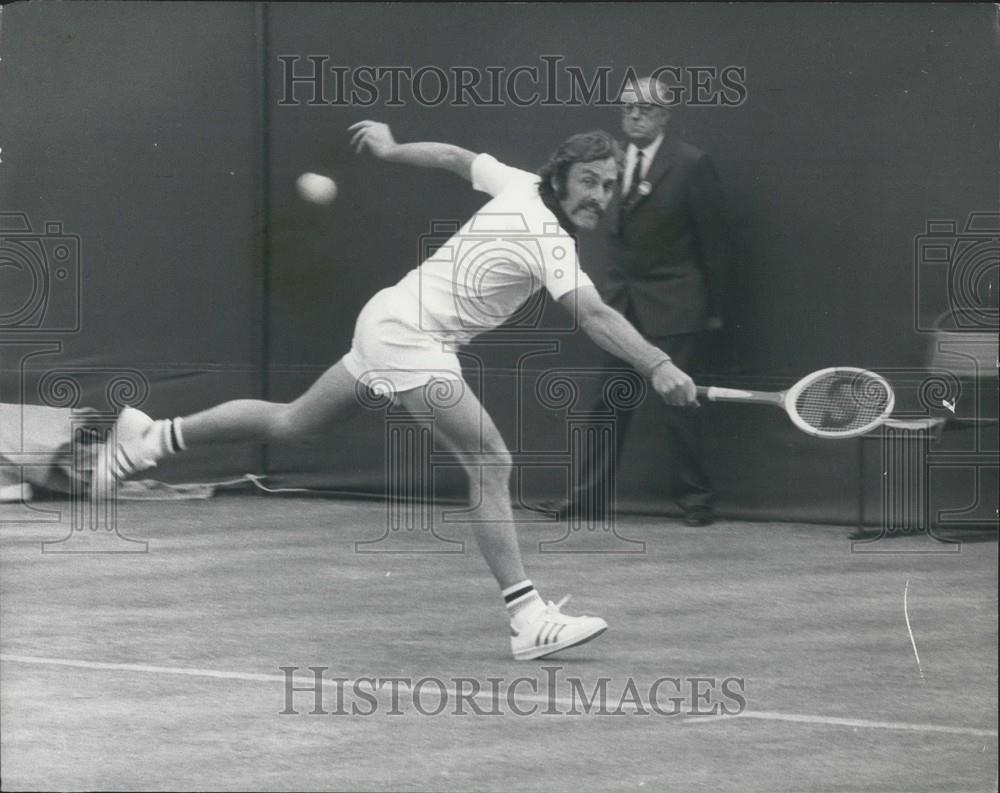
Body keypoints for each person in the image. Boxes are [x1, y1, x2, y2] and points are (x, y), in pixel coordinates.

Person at [93, 121, 699, 660]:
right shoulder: (549, 238)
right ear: (562, 176)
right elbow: (593, 316)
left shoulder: (517, 185)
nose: (598, 195)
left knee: (293, 424)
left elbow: (457, 157)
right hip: (410, 335)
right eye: (589, 181)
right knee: (490, 459)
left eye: (608, 185)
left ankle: (150, 438)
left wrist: (391, 148)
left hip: (388, 319)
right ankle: (527, 618)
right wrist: (658, 363)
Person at [558, 76, 734, 527]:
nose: (634, 115)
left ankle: (697, 503)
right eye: (627, 108)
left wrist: (712, 310)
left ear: (665, 115)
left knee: (680, 409)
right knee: (608, 405)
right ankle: (586, 501)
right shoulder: (610, 163)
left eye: (646, 109)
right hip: (622, 307)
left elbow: (715, 243)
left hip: (677, 305)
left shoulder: (692, 164)